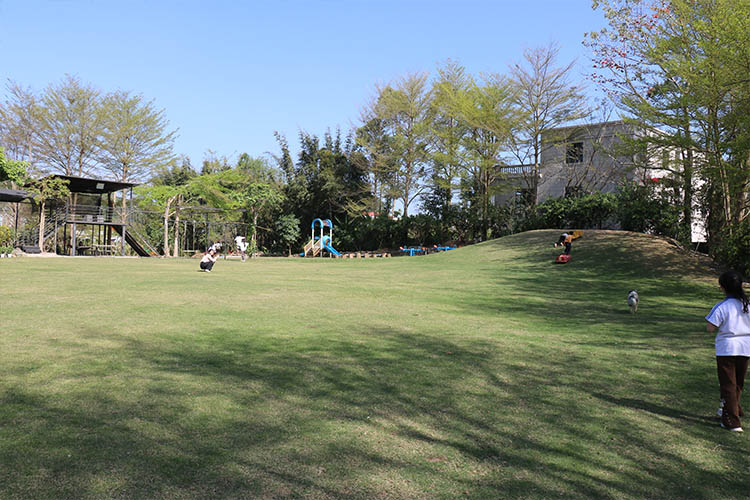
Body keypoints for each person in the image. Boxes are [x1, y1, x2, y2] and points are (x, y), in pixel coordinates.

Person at [705, 270, 750, 432]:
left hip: (727, 349)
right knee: (738, 383)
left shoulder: (722, 306)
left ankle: (732, 421)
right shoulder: (747, 305)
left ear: (723, 287)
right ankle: (733, 409)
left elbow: (710, 328)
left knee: (728, 384)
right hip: (745, 348)